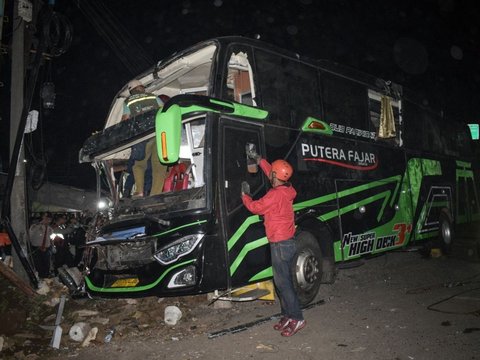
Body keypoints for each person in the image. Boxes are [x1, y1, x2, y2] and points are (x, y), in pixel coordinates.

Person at [241, 155, 305, 337]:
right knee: (282, 282)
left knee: (283, 284)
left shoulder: (275, 194)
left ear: (277, 177)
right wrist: (260, 160)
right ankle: (287, 315)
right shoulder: (288, 188)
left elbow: (255, 207)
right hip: (286, 242)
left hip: (280, 244)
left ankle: (297, 318)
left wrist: (245, 195)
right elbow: (272, 173)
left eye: (273, 174)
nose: (271, 176)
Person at [122, 79, 167, 196]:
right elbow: (164, 112)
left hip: (142, 136)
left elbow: (125, 121)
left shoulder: (129, 101)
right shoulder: (154, 97)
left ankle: (139, 191)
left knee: (139, 165)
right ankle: (155, 194)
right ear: (141, 87)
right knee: (159, 165)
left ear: (131, 91)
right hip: (158, 133)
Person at [29, 212, 53, 278]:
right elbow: (30, 236)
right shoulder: (34, 226)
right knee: (38, 266)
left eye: (49, 219)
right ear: (42, 218)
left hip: (46, 249)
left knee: (46, 266)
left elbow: (50, 237)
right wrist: (40, 224)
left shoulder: (49, 228)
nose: (48, 221)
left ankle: (46, 278)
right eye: (46, 218)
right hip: (37, 249)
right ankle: (39, 279)